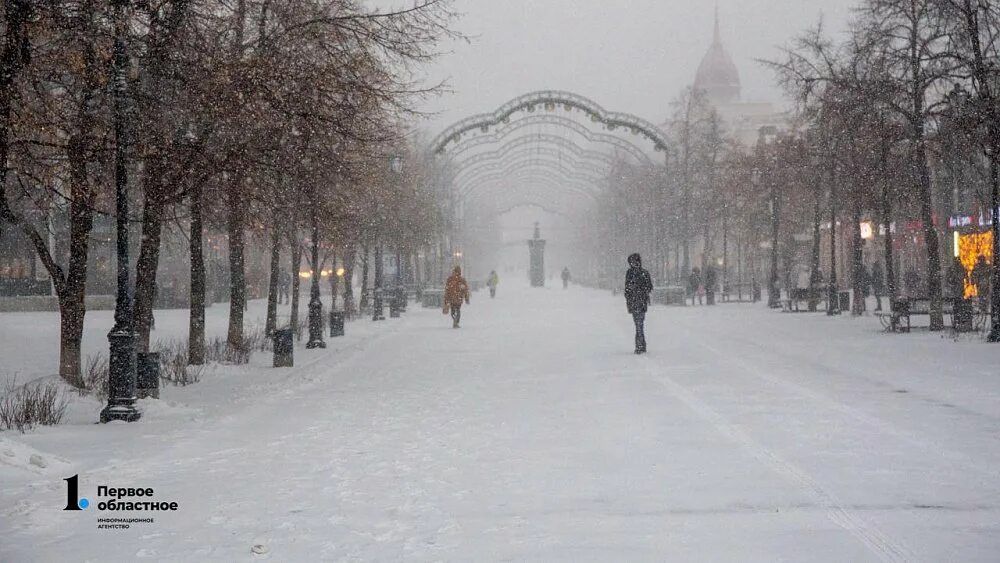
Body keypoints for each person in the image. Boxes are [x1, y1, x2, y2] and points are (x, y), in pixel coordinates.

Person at [625, 253, 653, 354]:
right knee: (639, 324)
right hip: (639, 302)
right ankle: (642, 344)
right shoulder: (643, 273)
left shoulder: (631, 273)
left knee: (638, 324)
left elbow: (627, 289)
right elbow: (649, 287)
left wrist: (632, 292)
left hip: (636, 302)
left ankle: (640, 345)